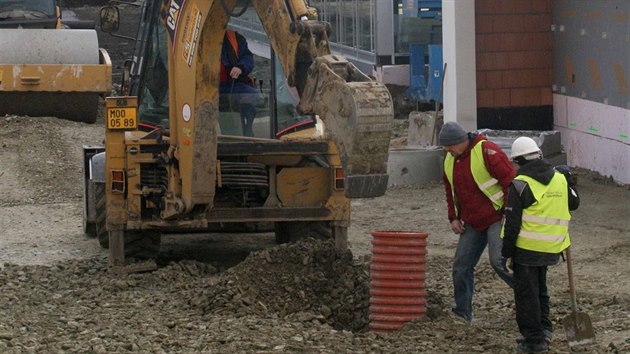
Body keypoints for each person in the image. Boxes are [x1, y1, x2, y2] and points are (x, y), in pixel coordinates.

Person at [501, 137, 580, 353]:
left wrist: (506, 252)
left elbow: (512, 224)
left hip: (526, 249)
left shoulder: (520, 184)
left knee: (527, 295)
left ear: (519, 160)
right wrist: (570, 182)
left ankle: (534, 340)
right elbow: (574, 203)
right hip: (552, 248)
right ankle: (544, 330)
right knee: (540, 290)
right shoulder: (559, 178)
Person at [438, 121, 516, 324]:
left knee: (498, 262)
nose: (447, 151)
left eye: (449, 146)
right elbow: (450, 191)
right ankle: (462, 312)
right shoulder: (450, 160)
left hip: (497, 217)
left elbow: (511, 182)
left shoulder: (486, 151)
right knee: (461, 266)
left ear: (461, 141)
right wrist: (453, 217)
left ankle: (528, 295)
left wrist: (509, 212)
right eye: (445, 147)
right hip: (472, 221)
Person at [220, 29, 259, 137]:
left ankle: (246, 128)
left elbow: (247, 57)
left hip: (232, 83)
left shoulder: (234, 38)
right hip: (208, 86)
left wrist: (240, 67)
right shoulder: (197, 38)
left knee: (251, 96)